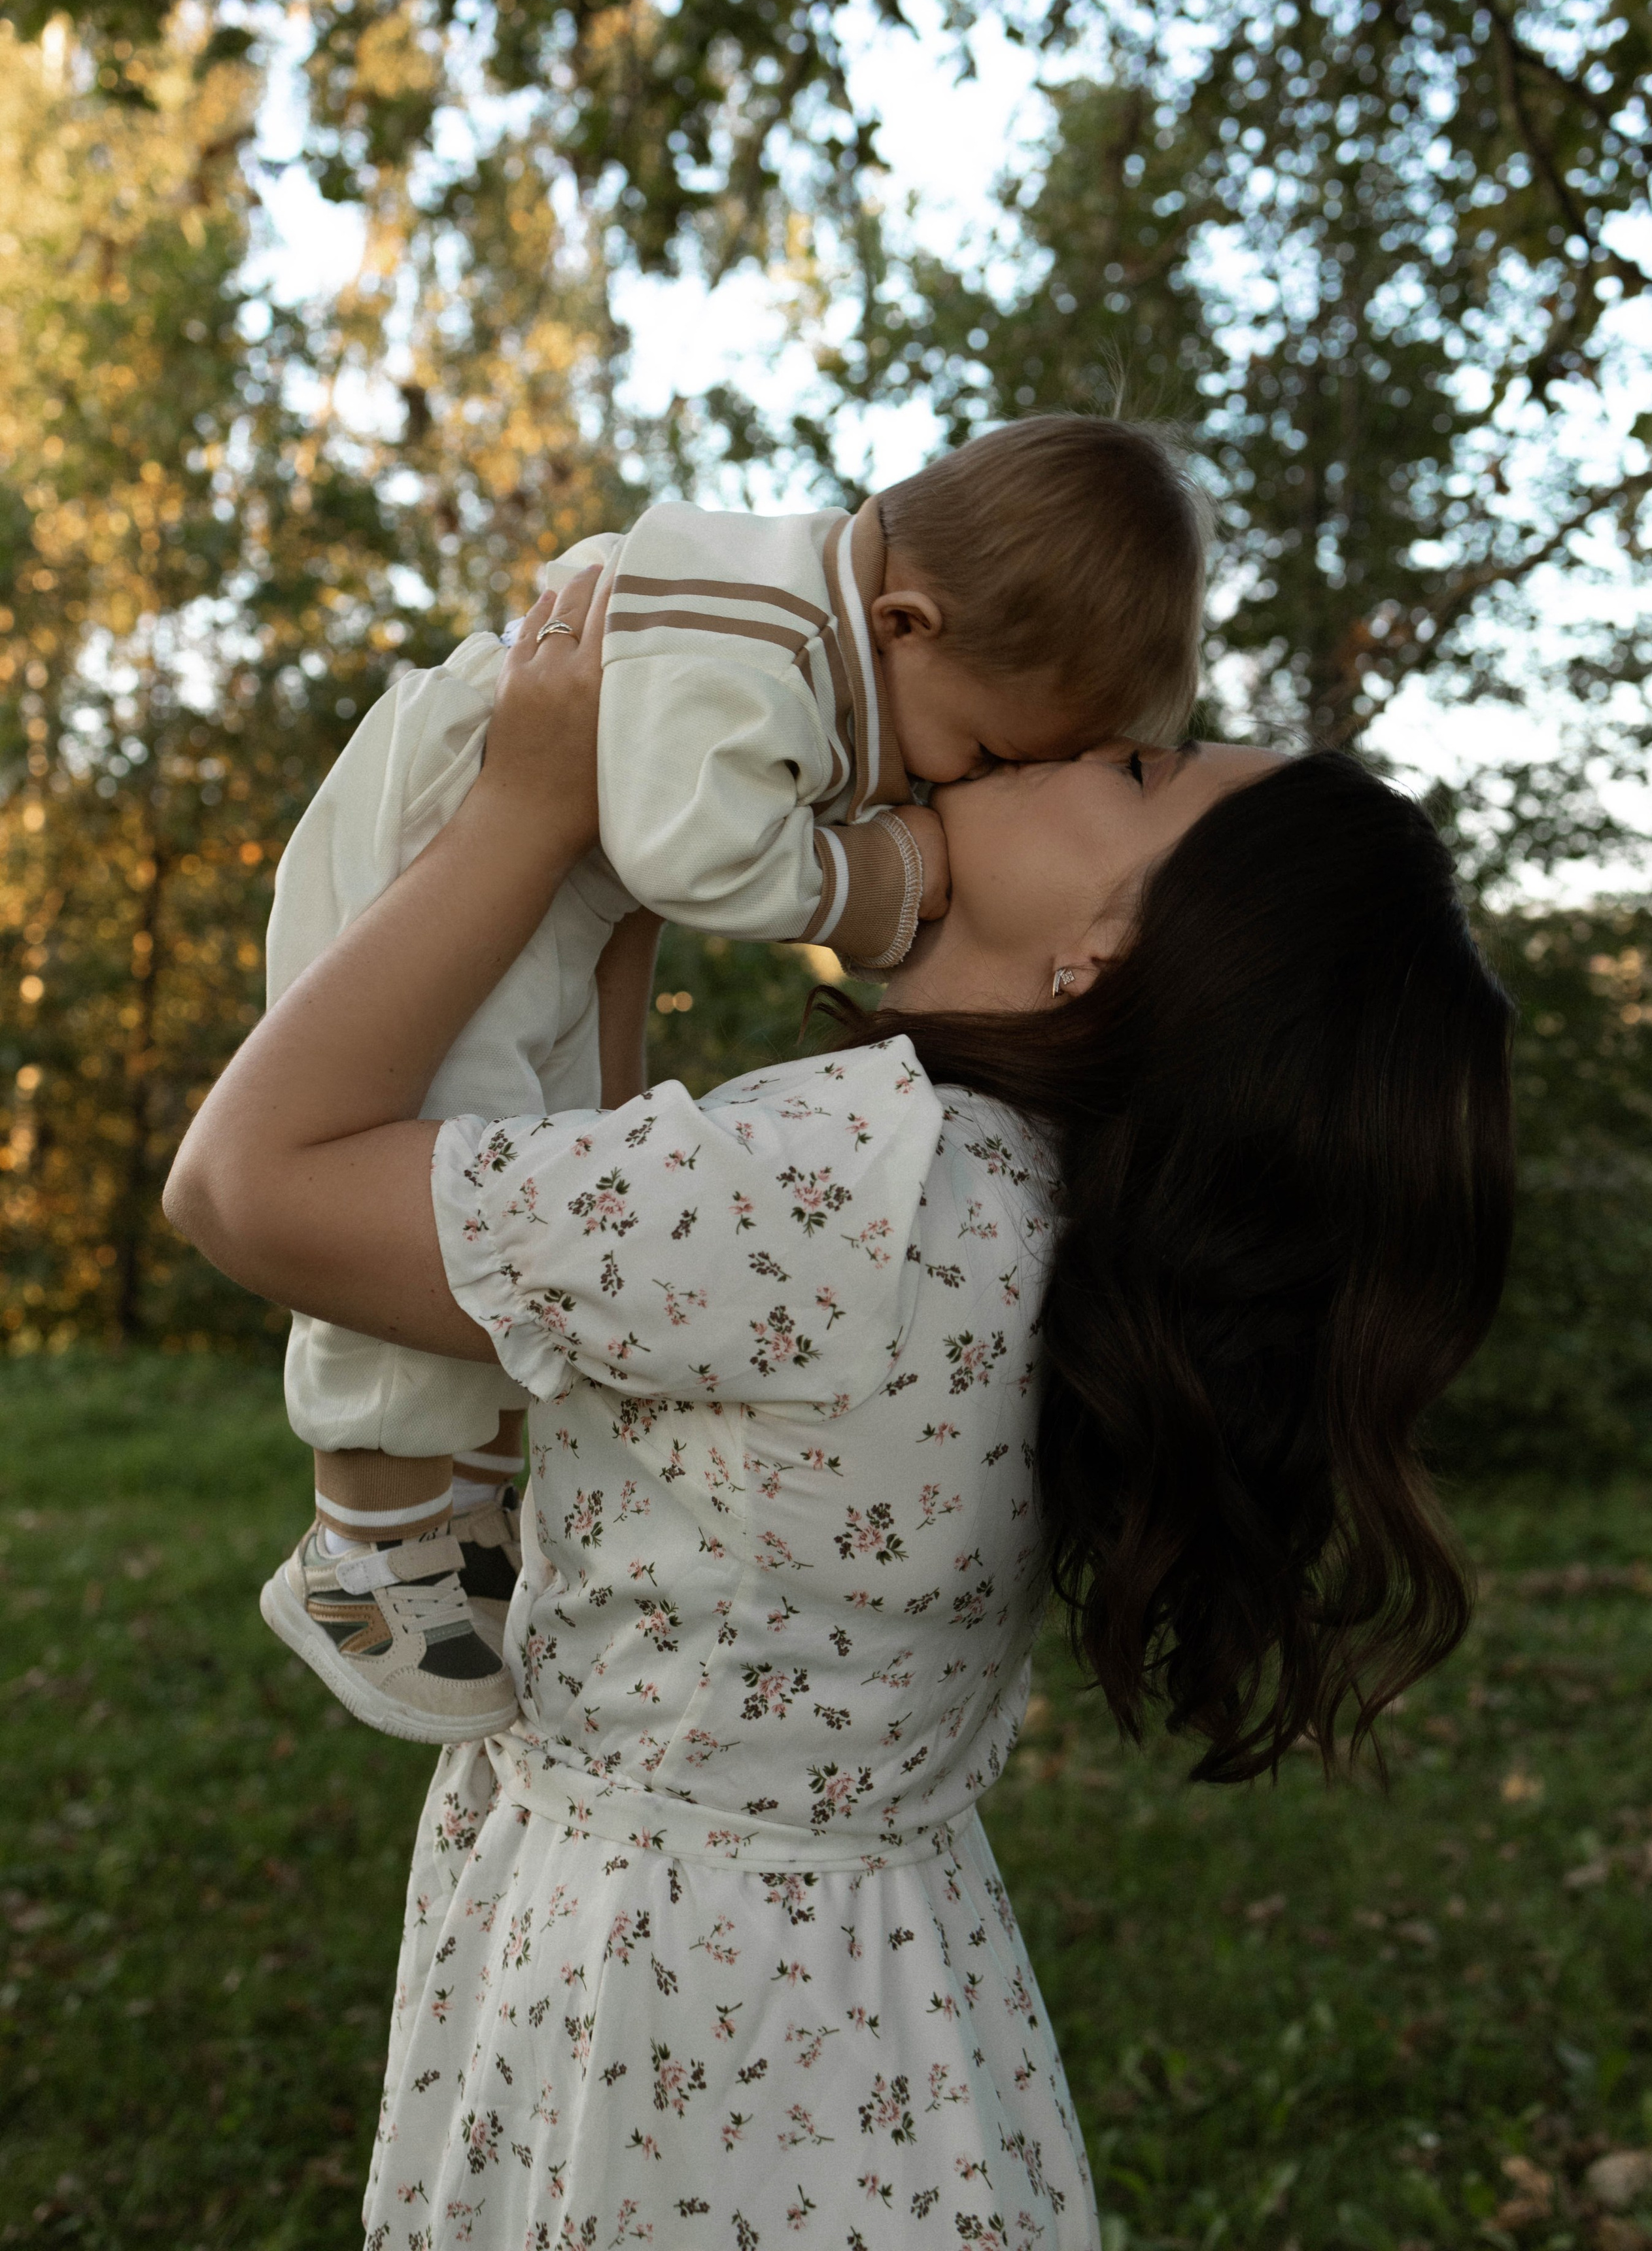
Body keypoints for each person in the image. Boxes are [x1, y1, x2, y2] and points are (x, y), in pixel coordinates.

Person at [164, 568, 1514, 2248]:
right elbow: (569, 1246)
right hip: (870, 1992)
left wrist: (514, 816)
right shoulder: (1031, 1210)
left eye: (1138, 775)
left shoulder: (841, 1177)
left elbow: (248, 1185)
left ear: (1104, 949)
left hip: (653, 2005)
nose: (1079, 740)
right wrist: (620, 892)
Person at [260, 413, 1212, 1742]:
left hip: (531, 894)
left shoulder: (796, 626)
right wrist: (879, 887)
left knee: (518, 1158)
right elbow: (687, 854)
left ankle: (459, 1515)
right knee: (439, 1154)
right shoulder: (764, 651)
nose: (963, 789)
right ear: (907, 625)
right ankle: (360, 1542)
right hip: (432, 853)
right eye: (988, 752)